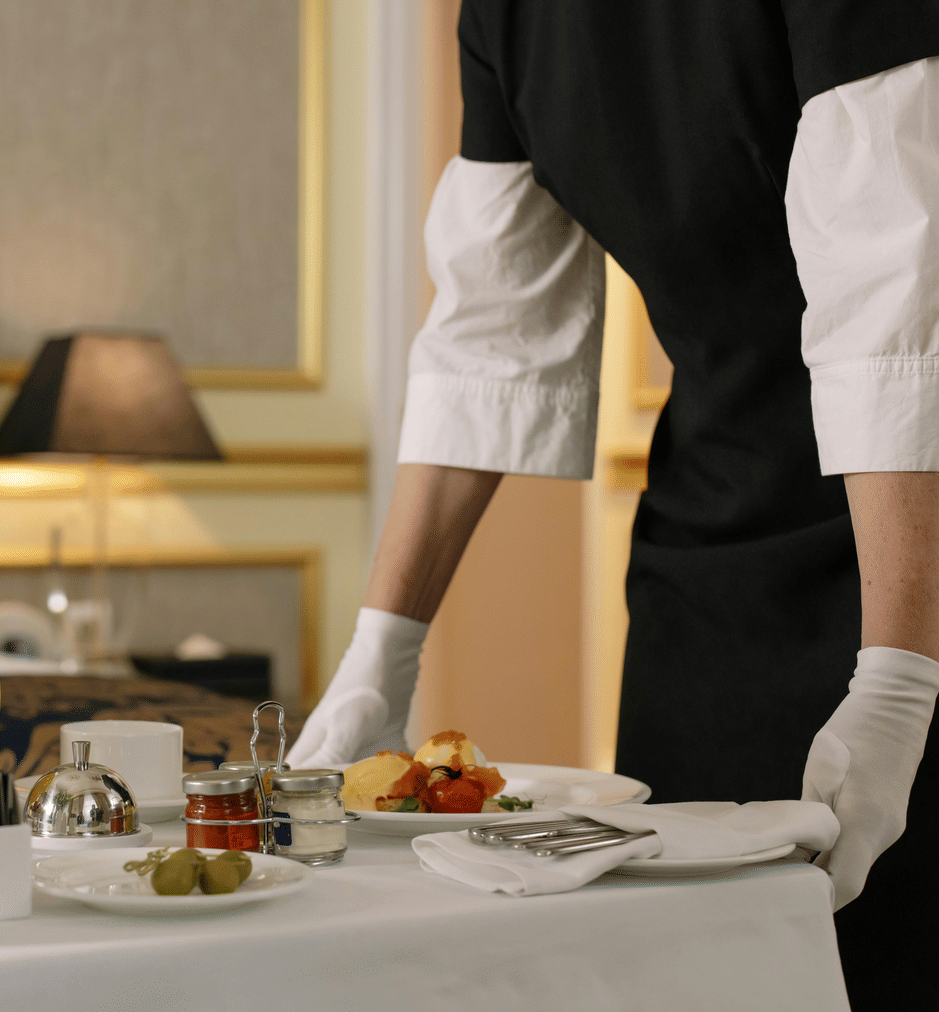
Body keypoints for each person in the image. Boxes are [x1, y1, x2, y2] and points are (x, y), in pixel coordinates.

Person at [288, 3, 939, 1006]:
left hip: (914, 545)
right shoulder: (505, 18)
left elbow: (896, 303)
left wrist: (898, 680)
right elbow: (487, 339)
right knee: (687, 964)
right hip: (713, 546)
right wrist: (382, 654)